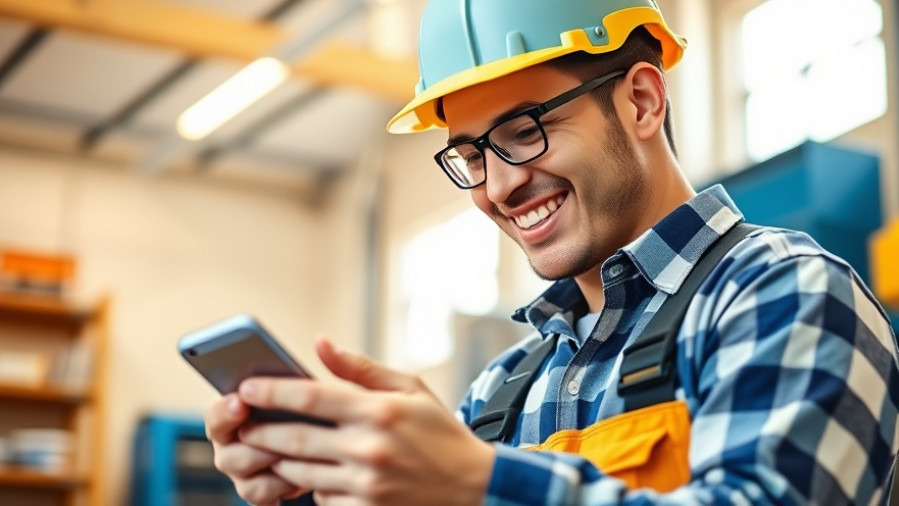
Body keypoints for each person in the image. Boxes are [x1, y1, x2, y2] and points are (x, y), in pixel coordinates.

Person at [205, 0, 899, 504]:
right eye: (472, 154)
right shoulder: (502, 392)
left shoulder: (784, 295)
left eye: (526, 129)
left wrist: (476, 480)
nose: (499, 186)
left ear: (641, 101)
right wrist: (327, 483)